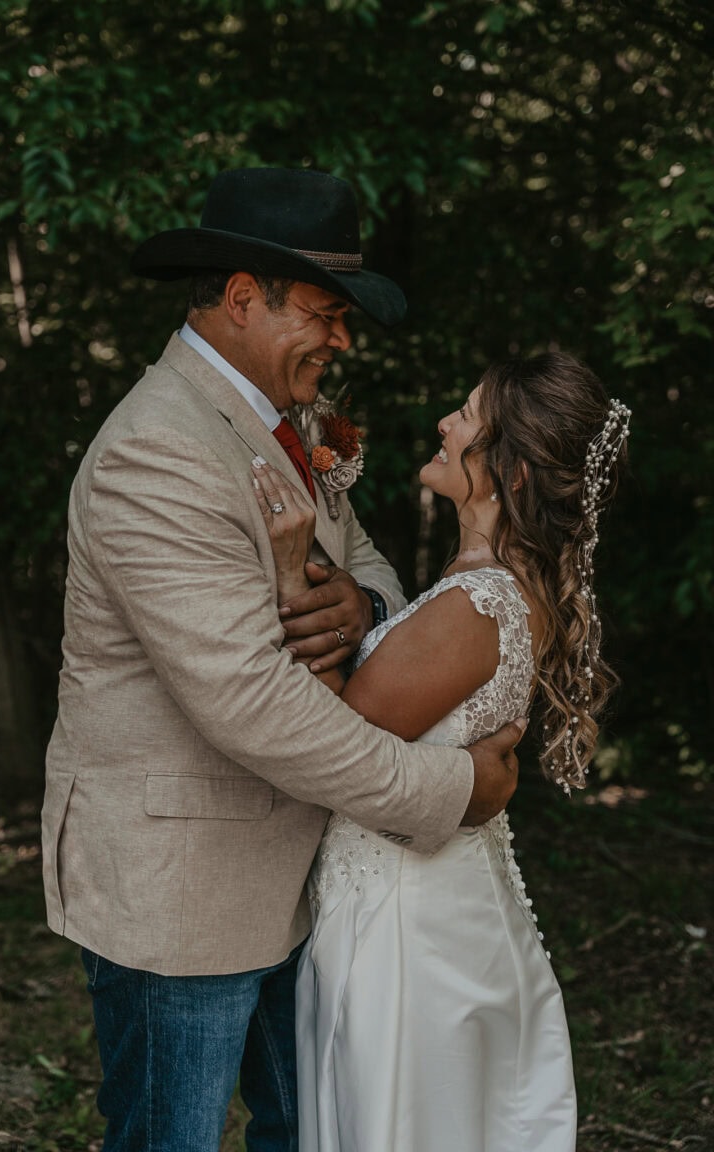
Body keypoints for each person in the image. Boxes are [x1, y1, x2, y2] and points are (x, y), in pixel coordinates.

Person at [40, 167, 524, 1152]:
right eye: (325, 313)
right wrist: (449, 789)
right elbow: (248, 700)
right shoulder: (157, 452)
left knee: (307, 1127)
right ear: (240, 299)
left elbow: (367, 558)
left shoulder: (283, 423)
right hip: (182, 887)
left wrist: (366, 604)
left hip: (299, 872)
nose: (341, 340)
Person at [251, 351, 630, 1152]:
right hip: (431, 899)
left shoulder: (476, 603)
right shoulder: (495, 583)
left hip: (405, 926)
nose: (445, 422)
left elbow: (336, 738)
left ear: (509, 473)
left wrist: (291, 577)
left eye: (466, 414)